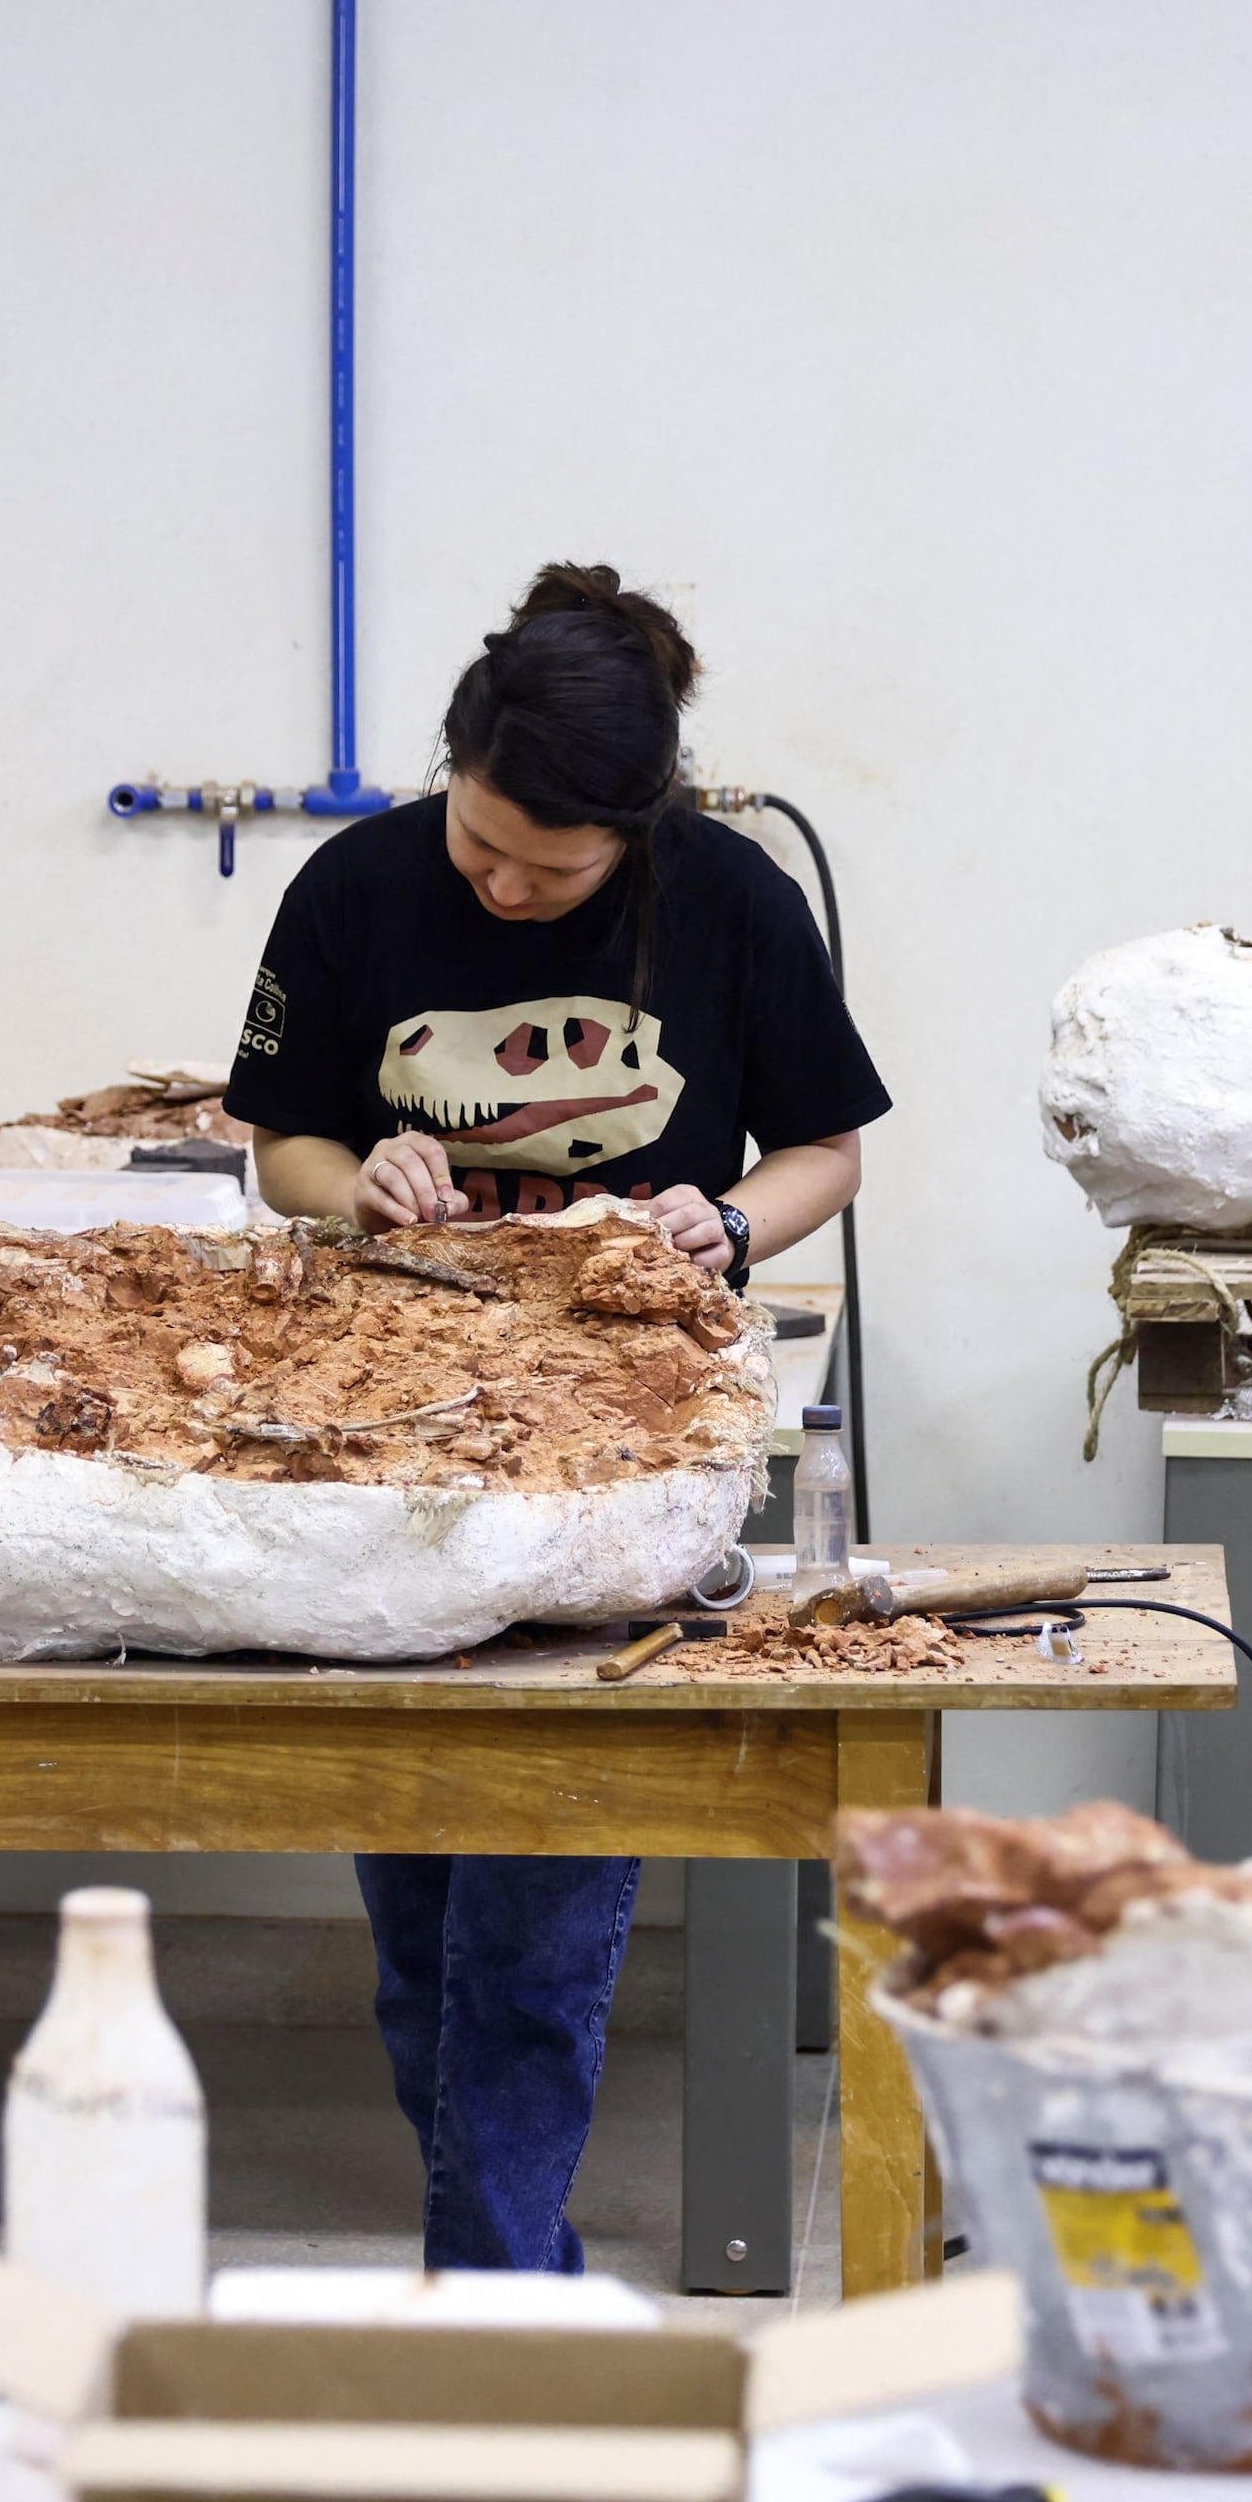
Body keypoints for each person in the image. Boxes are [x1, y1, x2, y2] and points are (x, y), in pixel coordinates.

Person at [224, 562, 889, 2273]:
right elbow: (278, 1139)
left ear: (638, 826)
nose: (509, 887)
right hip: (401, 1434)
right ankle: (499, 2239)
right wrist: (352, 1178)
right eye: (481, 847)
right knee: (419, 1906)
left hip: (626, 1434)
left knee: (535, 1901)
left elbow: (827, 1149)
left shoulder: (732, 902)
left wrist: (729, 1223)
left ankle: (500, 2282)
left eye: (556, 868)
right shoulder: (355, 884)